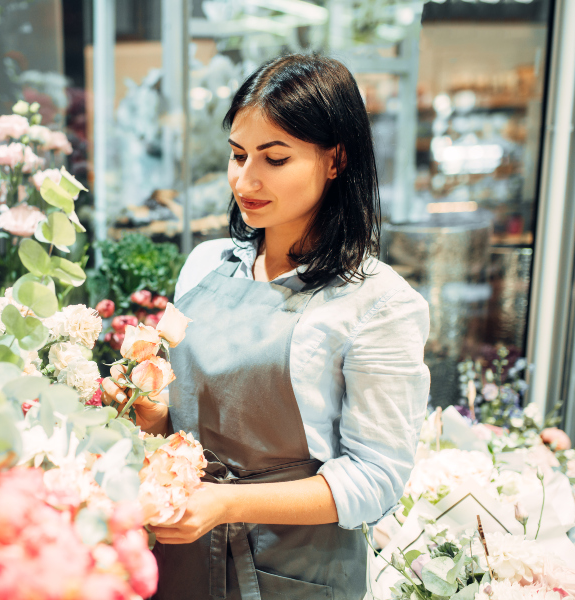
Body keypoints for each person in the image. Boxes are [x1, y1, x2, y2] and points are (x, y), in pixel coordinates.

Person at [102, 53, 430, 600]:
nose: (245, 179)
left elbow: (375, 480)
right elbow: (181, 430)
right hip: (178, 556)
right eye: (237, 155)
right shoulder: (204, 265)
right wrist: (151, 413)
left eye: (274, 158)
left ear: (335, 159)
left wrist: (229, 503)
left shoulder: (379, 302)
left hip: (296, 573)